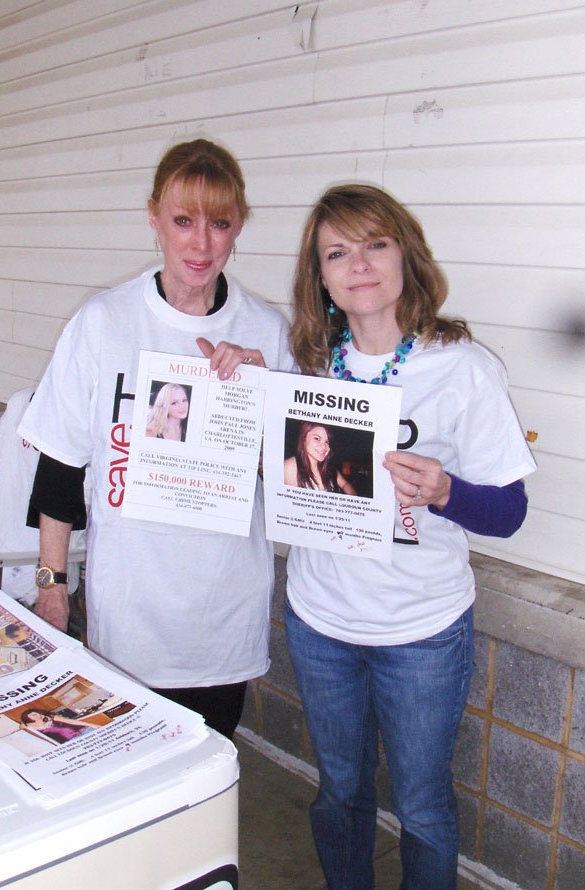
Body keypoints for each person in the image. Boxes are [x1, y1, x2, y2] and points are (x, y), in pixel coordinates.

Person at [285, 184, 536, 890]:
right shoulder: (304, 361)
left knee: (422, 809)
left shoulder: (463, 367)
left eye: (375, 244)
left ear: (406, 255)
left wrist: (445, 491)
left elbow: (510, 512)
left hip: (422, 631)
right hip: (320, 621)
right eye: (338, 252)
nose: (358, 264)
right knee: (339, 793)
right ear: (321, 277)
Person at [18, 138, 294, 740]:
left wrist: (262, 391)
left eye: (219, 223)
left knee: (207, 780)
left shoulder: (268, 333)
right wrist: (53, 588)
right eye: (183, 220)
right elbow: (61, 467)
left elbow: (292, 476)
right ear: (153, 217)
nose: (201, 243)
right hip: (129, 617)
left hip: (222, 614)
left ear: (239, 225)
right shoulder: (104, 322)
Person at [284, 421, 356, 494]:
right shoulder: (290, 467)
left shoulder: (329, 469)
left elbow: (345, 485)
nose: (324, 446)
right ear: (304, 439)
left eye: (327, 442)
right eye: (317, 438)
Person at [20, 708, 97, 744]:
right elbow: (22, 726)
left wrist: (93, 725)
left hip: (84, 731)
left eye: (38, 713)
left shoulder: (51, 717)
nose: (38, 715)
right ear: (27, 717)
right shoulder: (29, 727)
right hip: (71, 742)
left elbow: (71, 721)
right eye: (34, 715)